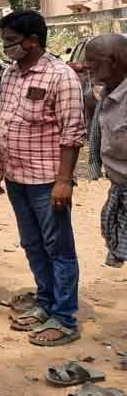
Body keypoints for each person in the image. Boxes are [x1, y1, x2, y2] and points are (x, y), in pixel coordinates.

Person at [0, 11, 86, 346]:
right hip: (17, 178)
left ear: (32, 41)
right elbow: (8, 123)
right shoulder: (10, 75)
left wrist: (64, 180)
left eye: (11, 41)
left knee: (58, 248)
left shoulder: (62, 77)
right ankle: (46, 303)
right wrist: (0, 165)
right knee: (32, 245)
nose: (7, 47)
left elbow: (72, 134)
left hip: (48, 180)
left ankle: (65, 318)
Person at [86, 34, 127, 269]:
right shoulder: (106, 96)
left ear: (113, 61)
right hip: (120, 187)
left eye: (92, 60)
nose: (86, 65)